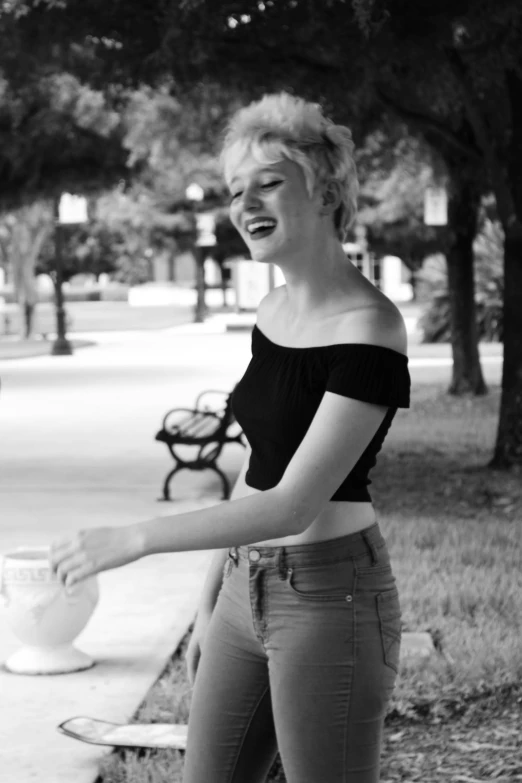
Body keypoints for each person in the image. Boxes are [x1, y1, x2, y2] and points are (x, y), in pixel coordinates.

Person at [51, 92, 410, 783]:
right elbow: (262, 462)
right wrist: (213, 589)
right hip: (248, 585)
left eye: (268, 182)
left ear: (326, 187)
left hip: (328, 596)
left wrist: (138, 537)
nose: (245, 203)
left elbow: (293, 505)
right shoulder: (272, 309)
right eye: (235, 189)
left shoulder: (370, 328)